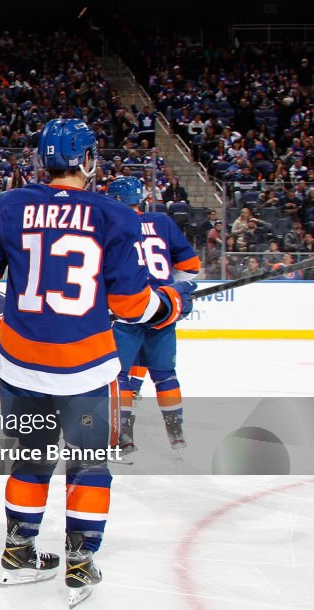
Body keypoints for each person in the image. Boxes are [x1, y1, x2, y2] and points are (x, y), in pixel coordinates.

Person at [0, 118, 196, 606]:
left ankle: (19, 551)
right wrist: (170, 303)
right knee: (88, 466)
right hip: (86, 368)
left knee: (31, 461)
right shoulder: (114, 215)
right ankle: (80, 561)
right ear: (87, 160)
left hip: (21, 365)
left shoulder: (11, 205)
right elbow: (131, 307)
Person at [106, 177, 199, 454]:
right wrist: (172, 293)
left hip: (127, 311)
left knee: (119, 375)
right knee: (166, 375)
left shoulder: (110, 226)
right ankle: (176, 433)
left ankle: (124, 436)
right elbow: (190, 268)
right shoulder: (162, 222)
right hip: (161, 312)